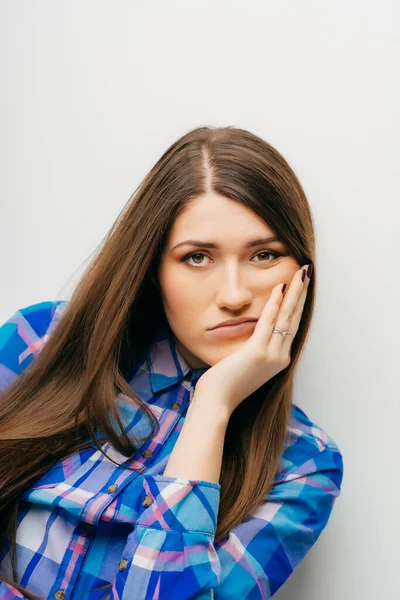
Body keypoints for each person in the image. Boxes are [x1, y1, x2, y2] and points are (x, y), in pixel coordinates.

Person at [0, 126, 344, 600]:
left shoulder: (302, 467)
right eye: (197, 257)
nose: (234, 296)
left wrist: (213, 405)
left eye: (265, 255)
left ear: (302, 270)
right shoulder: (41, 341)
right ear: (153, 268)